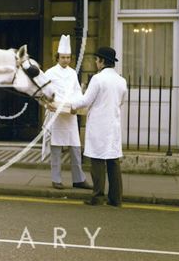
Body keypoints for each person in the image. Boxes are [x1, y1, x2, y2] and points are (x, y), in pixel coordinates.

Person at [51, 46, 128, 207]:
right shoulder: (121, 81)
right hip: (113, 125)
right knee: (113, 162)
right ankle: (116, 199)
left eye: (97, 59)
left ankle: (98, 197)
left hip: (99, 126)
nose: (95, 62)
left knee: (98, 162)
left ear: (101, 61)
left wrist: (69, 106)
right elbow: (121, 102)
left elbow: (85, 100)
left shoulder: (98, 79)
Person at [42, 35, 91, 190]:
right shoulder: (49, 73)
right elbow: (43, 93)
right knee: (56, 148)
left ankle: (78, 179)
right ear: (58, 57)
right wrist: (47, 105)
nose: (66, 60)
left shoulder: (72, 73)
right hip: (56, 115)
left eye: (68, 57)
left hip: (69, 114)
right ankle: (56, 179)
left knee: (75, 148)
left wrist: (77, 105)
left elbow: (77, 92)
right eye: (63, 57)